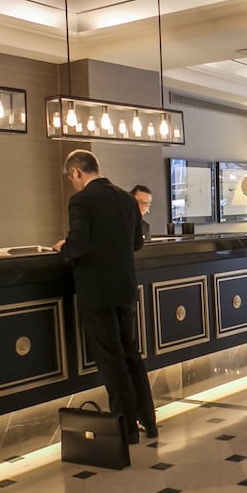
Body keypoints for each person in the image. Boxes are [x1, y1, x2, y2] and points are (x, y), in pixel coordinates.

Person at [53, 150, 157, 444]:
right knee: (131, 355)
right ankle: (149, 422)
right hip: (125, 288)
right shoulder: (126, 199)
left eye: (71, 178)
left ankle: (126, 430)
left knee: (112, 362)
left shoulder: (82, 200)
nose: (72, 183)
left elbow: (78, 245)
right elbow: (136, 243)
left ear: (76, 172)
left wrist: (62, 247)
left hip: (97, 291)